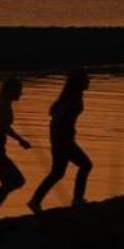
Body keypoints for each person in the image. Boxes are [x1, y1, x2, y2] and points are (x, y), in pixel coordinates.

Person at [28, 70, 93, 213]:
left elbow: (57, 119)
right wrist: (62, 139)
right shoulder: (72, 99)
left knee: (57, 173)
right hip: (63, 140)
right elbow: (58, 121)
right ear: (79, 83)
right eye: (86, 80)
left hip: (62, 139)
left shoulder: (72, 96)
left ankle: (35, 200)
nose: (89, 82)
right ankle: (77, 199)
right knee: (86, 165)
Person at [0, 77, 31, 220]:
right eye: (19, 90)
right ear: (11, 91)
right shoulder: (3, 106)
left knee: (11, 181)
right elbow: (4, 127)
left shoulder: (3, 104)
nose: (21, 93)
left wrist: (20, 140)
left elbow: (4, 128)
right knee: (16, 181)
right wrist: (20, 140)